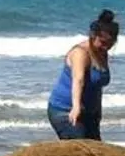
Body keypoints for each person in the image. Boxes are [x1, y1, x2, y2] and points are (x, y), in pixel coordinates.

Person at [48, 9, 118, 140]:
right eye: (102, 42)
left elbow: (97, 85)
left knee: (97, 152)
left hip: (89, 114)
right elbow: (78, 80)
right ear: (92, 35)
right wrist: (76, 107)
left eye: (110, 43)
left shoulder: (102, 52)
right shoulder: (81, 53)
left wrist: (97, 112)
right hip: (65, 110)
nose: (106, 47)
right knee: (79, 150)